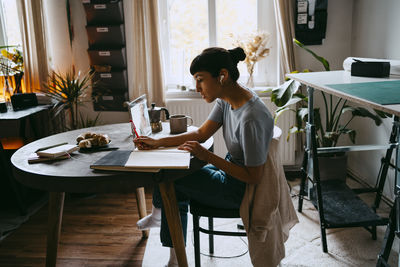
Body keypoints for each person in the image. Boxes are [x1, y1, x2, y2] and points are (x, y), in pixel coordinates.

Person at [134, 47, 274, 266]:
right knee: (174, 172)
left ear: (222, 76)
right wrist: (158, 142)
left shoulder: (251, 117)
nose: (196, 87)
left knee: (170, 181)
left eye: (200, 79)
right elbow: (200, 134)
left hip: (239, 192)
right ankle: (167, 235)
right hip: (228, 173)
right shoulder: (227, 99)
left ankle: (166, 236)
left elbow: (254, 177)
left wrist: (207, 156)